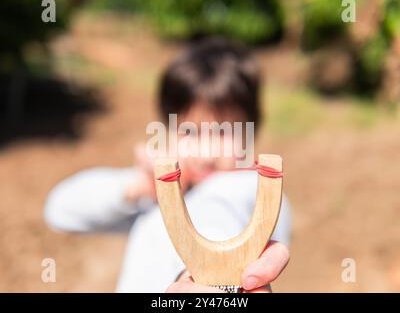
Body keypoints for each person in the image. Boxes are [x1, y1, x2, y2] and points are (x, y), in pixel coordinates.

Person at [45, 38, 292, 292]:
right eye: (190, 132)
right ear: (168, 131)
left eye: (223, 133)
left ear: (252, 130)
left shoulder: (250, 188)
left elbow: (217, 219)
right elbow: (60, 210)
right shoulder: (159, 192)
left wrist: (212, 276)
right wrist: (142, 186)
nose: (206, 153)